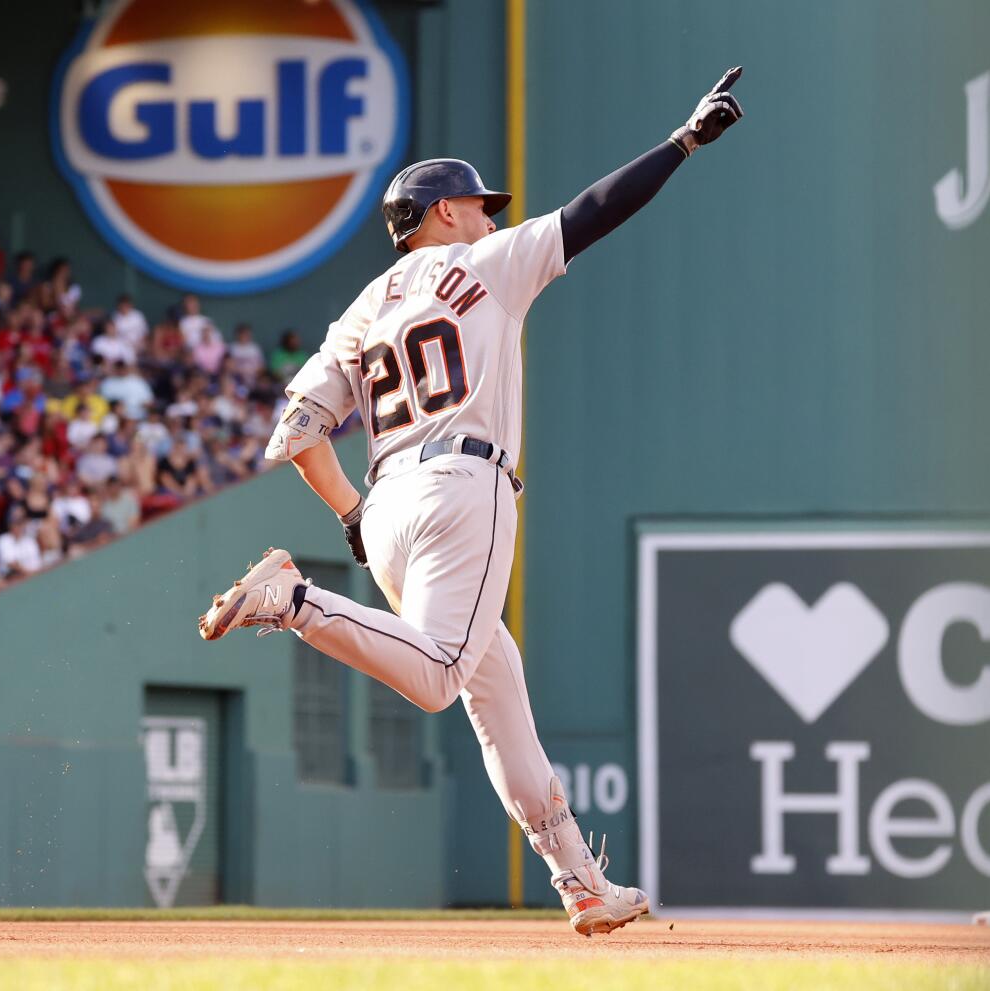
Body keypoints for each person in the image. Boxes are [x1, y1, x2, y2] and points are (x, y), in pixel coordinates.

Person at [196, 68, 746, 937]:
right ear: (443, 215)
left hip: (385, 503)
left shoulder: (359, 313)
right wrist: (681, 143)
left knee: (499, 701)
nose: (490, 215)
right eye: (478, 204)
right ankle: (292, 600)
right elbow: (594, 212)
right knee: (440, 678)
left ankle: (583, 883)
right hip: (464, 485)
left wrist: (353, 520)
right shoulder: (482, 262)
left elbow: (298, 430)